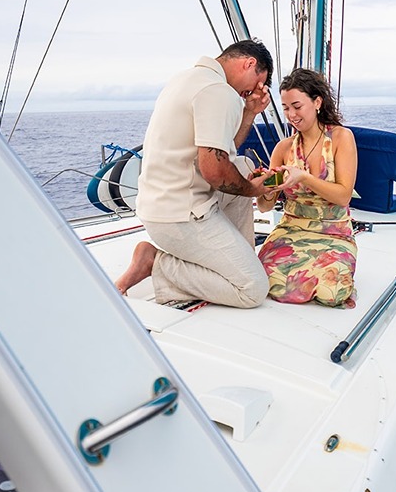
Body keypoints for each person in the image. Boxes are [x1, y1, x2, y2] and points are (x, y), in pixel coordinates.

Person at [115, 40, 278, 308]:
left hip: (158, 206)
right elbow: (214, 170)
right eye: (254, 84)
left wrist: (249, 112)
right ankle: (156, 263)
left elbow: (224, 152)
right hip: (181, 216)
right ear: (249, 64)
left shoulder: (186, 79)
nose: (250, 92)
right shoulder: (218, 91)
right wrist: (255, 190)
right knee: (252, 289)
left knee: (244, 170)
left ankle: (236, 260)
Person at [257, 68, 357, 307]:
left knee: (330, 293)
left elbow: (343, 196)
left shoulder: (342, 138)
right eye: (285, 108)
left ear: (317, 102)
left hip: (333, 232)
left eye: (297, 106)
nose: (291, 114)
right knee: (255, 282)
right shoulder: (283, 148)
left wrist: (303, 177)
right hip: (290, 229)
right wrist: (266, 187)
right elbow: (263, 207)